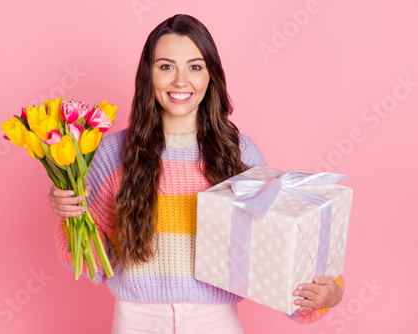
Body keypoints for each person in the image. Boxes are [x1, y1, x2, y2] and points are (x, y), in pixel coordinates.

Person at [47, 14, 344, 333]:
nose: (180, 81)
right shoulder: (111, 153)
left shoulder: (240, 154)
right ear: (148, 74)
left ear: (211, 75)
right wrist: (72, 216)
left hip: (214, 321)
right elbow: (95, 261)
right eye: (166, 66)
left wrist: (328, 293)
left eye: (195, 66)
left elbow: (272, 254)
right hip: (137, 320)